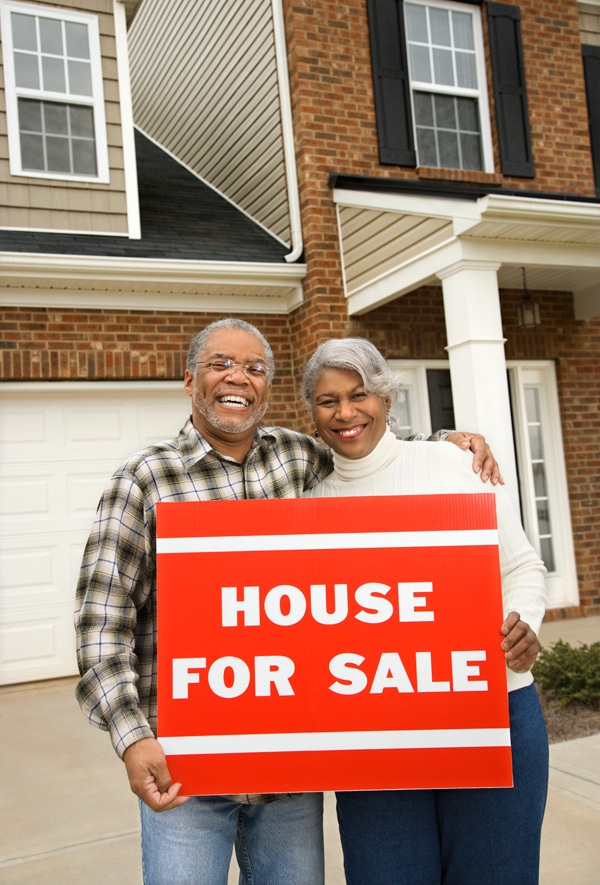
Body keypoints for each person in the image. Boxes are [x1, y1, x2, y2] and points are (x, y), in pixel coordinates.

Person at [74, 318, 501, 885]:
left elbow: (370, 450)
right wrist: (132, 738)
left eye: (255, 368)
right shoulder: (144, 479)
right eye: (221, 364)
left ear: (267, 388)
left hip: (289, 774)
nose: (239, 378)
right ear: (189, 380)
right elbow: (102, 623)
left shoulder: (298, 458)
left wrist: (447, 443)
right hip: (187, 769)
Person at [301, 337, 549, 885]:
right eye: (327, 400)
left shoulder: (454, 464)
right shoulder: (309, 504)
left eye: (360, 394)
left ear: (387, 400)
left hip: (488, 713)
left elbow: (523, 568)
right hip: (371, 736)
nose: (345, 412)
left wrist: (525, 620)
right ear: (311, 412)